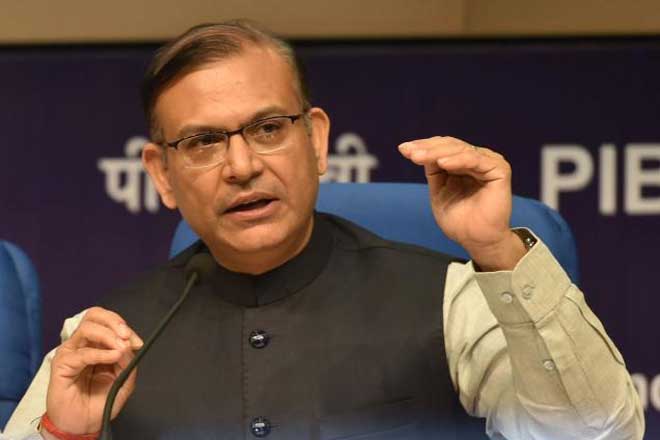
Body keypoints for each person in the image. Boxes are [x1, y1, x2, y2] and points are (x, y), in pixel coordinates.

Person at [4, 21, 643, 440]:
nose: (241, 166)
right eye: (202, 142)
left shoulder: (451, 300)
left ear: (315, 141)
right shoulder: (105, 343)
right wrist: (67, 434)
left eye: (267, 128)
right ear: (161, 174)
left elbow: (598, 434)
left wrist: (496, 251)